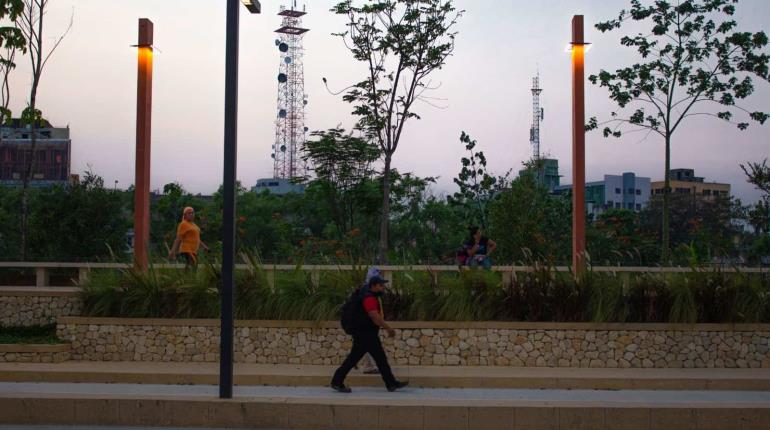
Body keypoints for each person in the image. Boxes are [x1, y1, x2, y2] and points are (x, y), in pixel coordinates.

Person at [331, 275, 408, 393]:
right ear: (374, 286)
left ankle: (391, 383)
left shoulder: (366, 293)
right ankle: (391, 383)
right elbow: (374, 316)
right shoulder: (369, 298)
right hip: (366, 333)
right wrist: (388, 328)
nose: (383, 288)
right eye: (381, 285)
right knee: (378, 357)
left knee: (360, 357)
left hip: (363, 331)